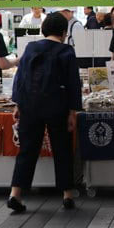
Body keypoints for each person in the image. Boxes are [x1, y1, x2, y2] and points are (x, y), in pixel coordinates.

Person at [8, 12, 82, 214]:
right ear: (64, 32)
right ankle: (67, 194)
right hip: (57, 105)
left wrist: (17, 104)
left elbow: (20, 77)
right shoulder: (66, 51)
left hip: (30, 105)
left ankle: (16, 193)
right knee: (62, 149)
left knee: (27, 150)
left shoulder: (31, 48)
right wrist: (73, 112)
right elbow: (73, 84)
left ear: (43, 30)